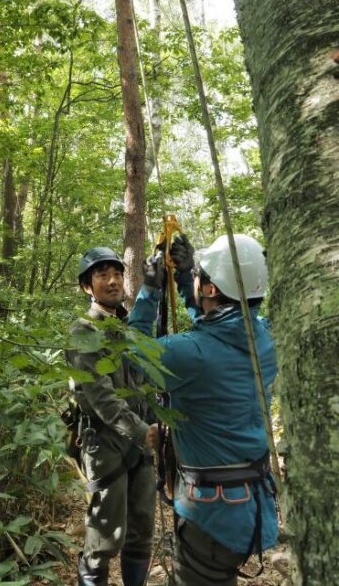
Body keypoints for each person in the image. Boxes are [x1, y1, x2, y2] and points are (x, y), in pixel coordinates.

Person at [129, 233, 279, 586]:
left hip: (212, 514)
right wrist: (185, 278)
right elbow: (220, 329)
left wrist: (149, 291)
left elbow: (136, 353)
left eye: (201, 275)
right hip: (251, 505)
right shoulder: (266, 338)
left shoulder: (190, 353)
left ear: (210, 290)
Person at [66, 247, 158, 586]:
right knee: (105, 538)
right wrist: (142, 431)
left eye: (117, 273)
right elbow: (100, 396)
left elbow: (147, 378)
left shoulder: (129, 329)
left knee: (142, 530)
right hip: (105, 445)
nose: (112, 280)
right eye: (102, 274)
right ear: (87, 287)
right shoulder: (83, 332)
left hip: (140, 444)